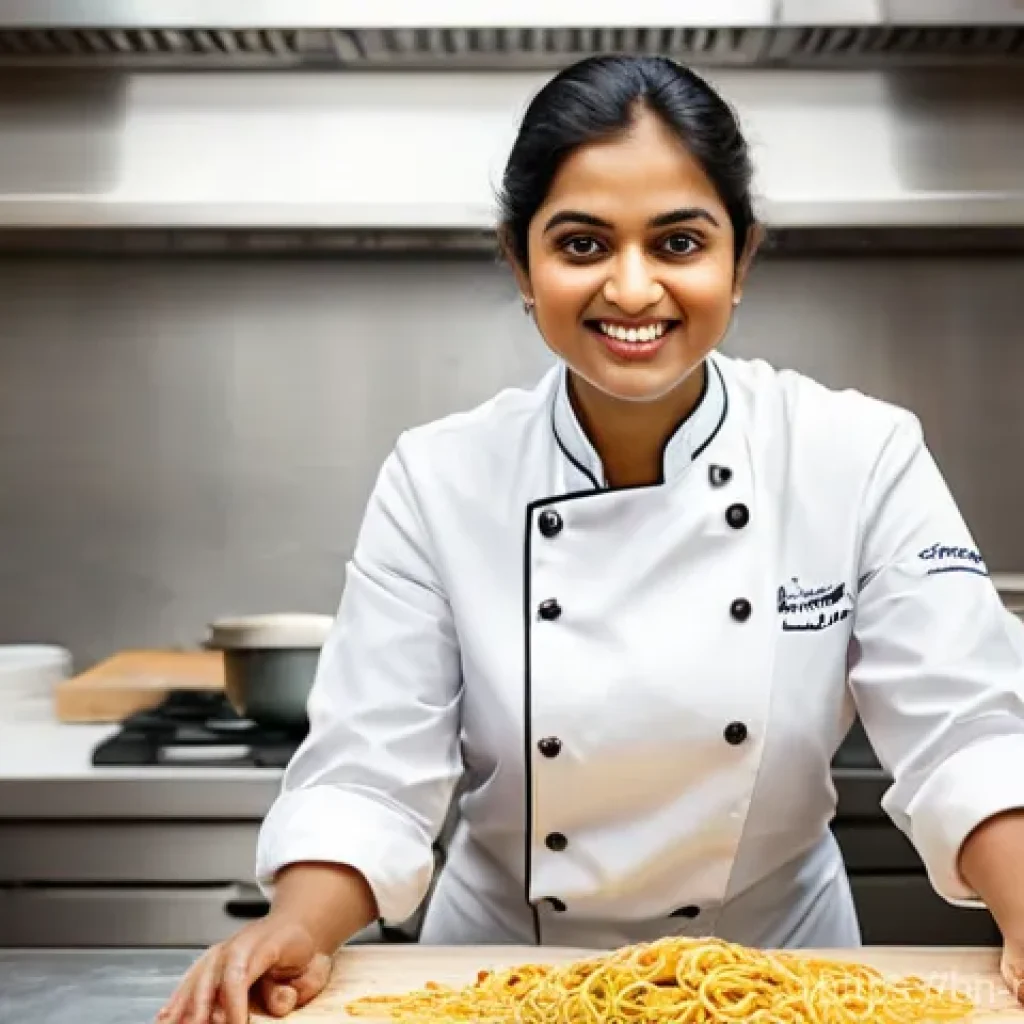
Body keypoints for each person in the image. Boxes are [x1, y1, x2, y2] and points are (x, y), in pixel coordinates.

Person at [159, 55, 1024, 1024]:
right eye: (580, 243)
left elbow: (966, 733)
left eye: (678, 241)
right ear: (519, 261)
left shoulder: (855, 452)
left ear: (739, 259)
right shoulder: (440, 475)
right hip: (499, 981)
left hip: (781, 984)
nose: (632, 286)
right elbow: (372, 769)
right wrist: (300, 925)